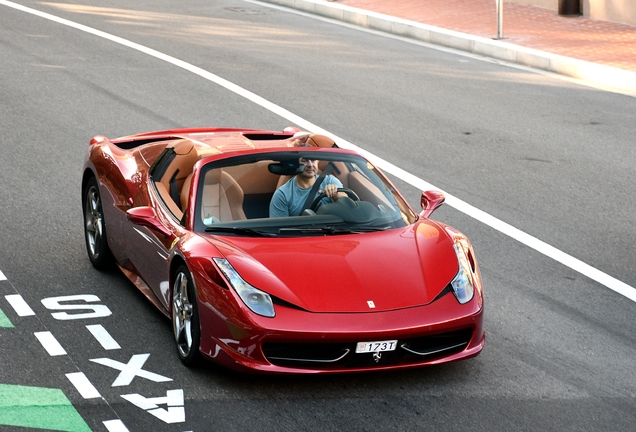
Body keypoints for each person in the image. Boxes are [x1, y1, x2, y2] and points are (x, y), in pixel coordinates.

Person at [269, 156, 347, 217]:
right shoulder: (282, 195)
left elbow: (350, 206)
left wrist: (336, 194)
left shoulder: (330, 181)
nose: (310, 164)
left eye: (313, 160)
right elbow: (279, 231)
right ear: (295, 164)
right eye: (304, 161)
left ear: (317, 162)